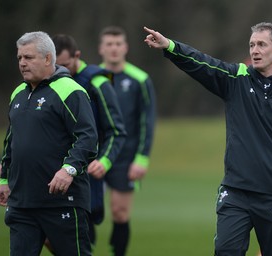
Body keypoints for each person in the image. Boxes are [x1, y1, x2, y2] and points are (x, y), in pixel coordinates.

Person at [144, 23, 272, 256]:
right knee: (225, 250)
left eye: (261, 44)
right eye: (251, 45)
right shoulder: (236, 79)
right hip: (236, 192)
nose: (255, 50)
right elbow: (202, 63)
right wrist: (170, 46)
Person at [0, 31, 98, 256]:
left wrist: (68, 169)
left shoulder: (70, 91)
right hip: (22, 203)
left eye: (29, 57)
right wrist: (4, 180)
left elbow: (88, 137)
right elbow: (11, 140)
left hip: (62, 202)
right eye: (20, 58)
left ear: (48, 59)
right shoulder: (18, 93)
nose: (22, 63)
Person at [48, 34, 126, 250]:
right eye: (56, 66)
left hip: (85, 174)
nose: (59, 71)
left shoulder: (98, 83)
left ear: (77, 56)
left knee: (80, 238)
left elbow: (117, 130)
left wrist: (105, 161)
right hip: (51, 172)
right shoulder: (46, 82)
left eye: (64, 65)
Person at [98, 26, 157, 256]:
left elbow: (147, 122)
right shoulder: (91, 77)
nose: (114, 48)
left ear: (126, 47)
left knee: (120, 212)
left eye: (118, 44)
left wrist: (141, 158)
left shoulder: (140, 79)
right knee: (89, 211)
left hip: (126, 157)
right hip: (96, 156)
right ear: (101, 48)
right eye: (109, 44)